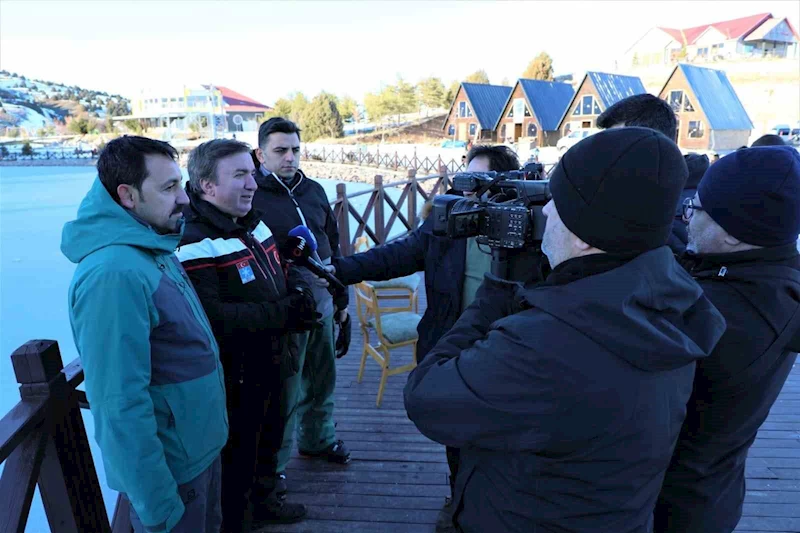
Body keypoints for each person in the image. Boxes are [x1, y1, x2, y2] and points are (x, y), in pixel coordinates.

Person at [404, 127, 727, 533]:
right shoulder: (675, 301)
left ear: (586, 233)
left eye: (555, 201)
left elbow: (425, 397)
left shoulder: (545, 343)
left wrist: (497, 290)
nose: (545, 213)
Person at [328, 144, 521, 532]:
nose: (464, 191)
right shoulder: (446, 222)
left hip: (507, 355)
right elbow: (394, 256)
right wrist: (336, 270)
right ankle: (458, 500)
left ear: (504, 186)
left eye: (477, 182)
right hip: (450, 350)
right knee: (455, 439)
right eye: (461, 180)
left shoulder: (522, 231)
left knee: (500, 444)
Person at [61, 136, 228, 533]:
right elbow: (118, 403)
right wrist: (157, 506)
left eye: (180, 184)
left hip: (195, 456)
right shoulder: (113, 274)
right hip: (171, 478)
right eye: (169, 187)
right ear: (127, 196)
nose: (184, 198)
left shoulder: (150, 247)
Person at [654, 146, 800, 533]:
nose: (686, 216)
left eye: (696, 208)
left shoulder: (727, 317)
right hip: (708, 495)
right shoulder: (768, 278)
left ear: (734, 234)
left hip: (669, 509)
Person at [176, 139, 316, 531]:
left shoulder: (253, 220)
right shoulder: (193, 239)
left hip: (273, 358)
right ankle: (240, 520)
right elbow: (214, 317)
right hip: (236, 375)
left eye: (251, 173)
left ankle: (267, 500)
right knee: (240, 457)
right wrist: (285, 313)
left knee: (270, 441)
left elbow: (283, 267)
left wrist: (300, 291)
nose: (252, 183)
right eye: (239, 175)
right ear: (207, 186)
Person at [251, 118, 351, 497]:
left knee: (323, 380)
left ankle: (319, 440)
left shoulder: (313, 190)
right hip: (285, 308)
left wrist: (342, 299)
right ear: (261, 154)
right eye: (280, 151)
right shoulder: (251, 194)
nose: (290, 157)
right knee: (286, 392)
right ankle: (274, 470)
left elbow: (333, 243)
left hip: (324, 300)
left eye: (295, 149)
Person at [595, 93, 708, 255]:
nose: (605, 155)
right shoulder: (696, 195)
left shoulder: (660, 215)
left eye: (614, 144)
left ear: (649, 145)